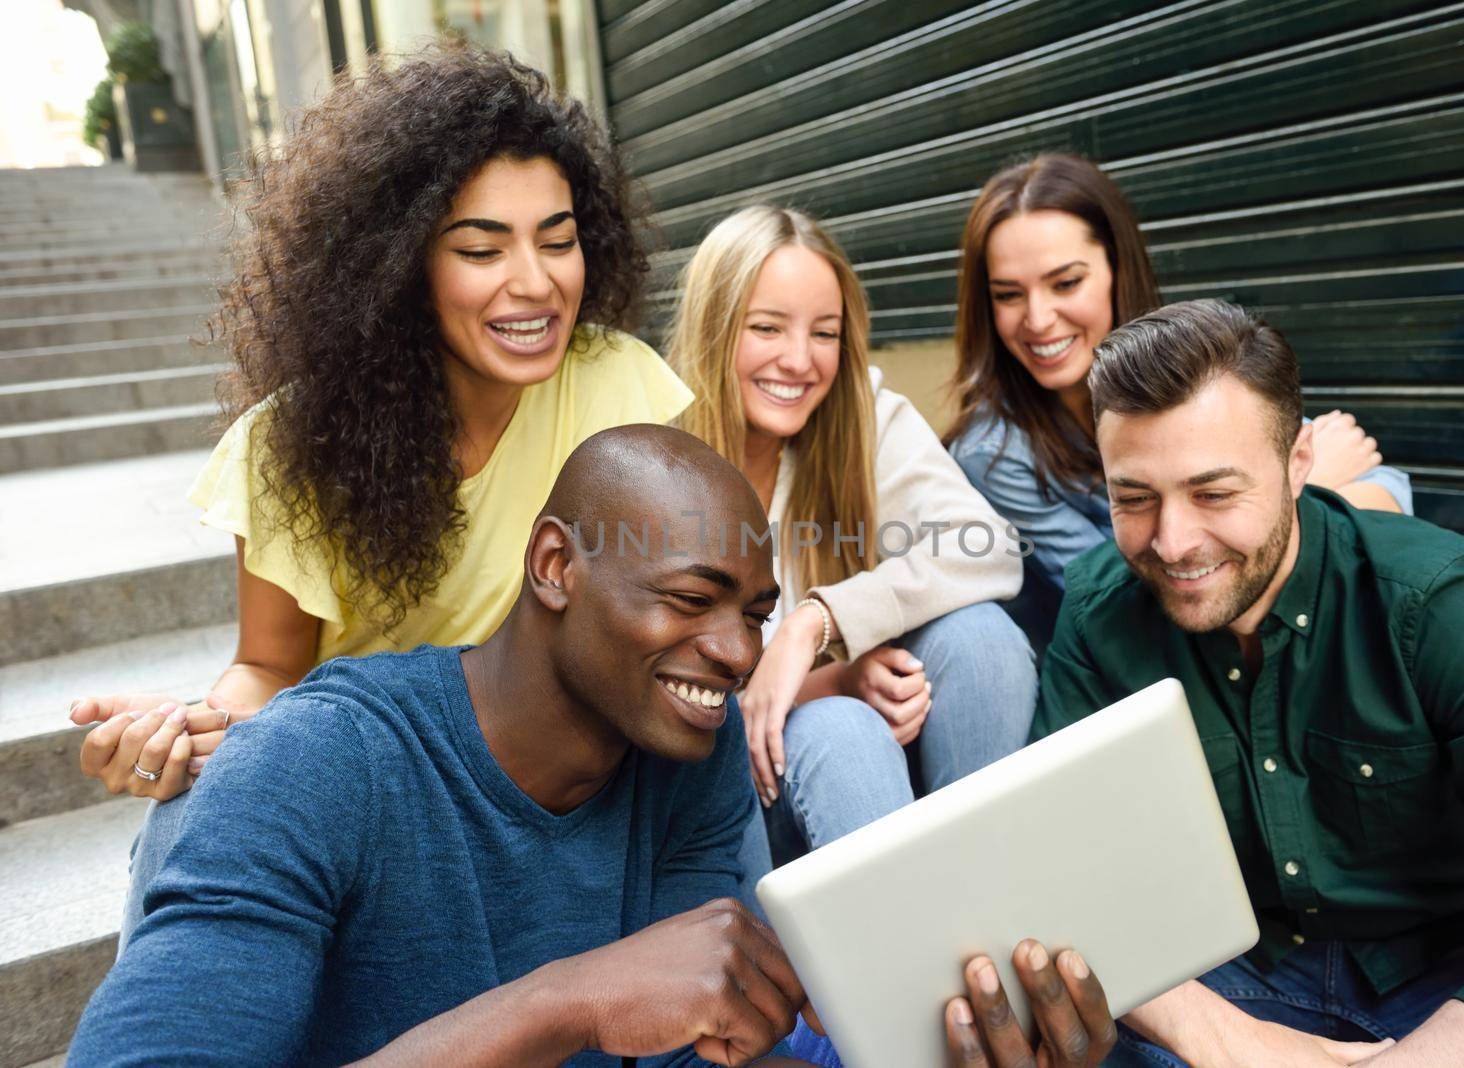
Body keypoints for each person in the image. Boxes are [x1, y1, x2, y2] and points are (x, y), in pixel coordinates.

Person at [69, 426, 1119, 1068]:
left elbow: (689, 1062)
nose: (737, 651)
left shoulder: (685, 758)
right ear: (555, 567)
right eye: (689, 599)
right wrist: (566, 1001)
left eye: (756, 611)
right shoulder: (315, 765)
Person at [61, 47, 691, 940]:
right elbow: (271, 668)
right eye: (481, 247)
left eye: (558, 239)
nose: (536, 281)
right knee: (189, 823)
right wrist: (195, 730)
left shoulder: (625, 390)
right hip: (375, 786)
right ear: (396, 266)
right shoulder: (292, 446)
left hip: (569, 787)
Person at [1037, 299, 1464, 1068]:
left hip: (1456, 984)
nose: (1172, 542)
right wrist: (1234, 1044)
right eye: (1133, 498)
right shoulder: (1099, 613)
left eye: (1213, 493)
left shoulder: (1444, 604)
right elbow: (1058, 878)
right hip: (1227, 983)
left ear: (1299, 461)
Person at [667, 205, 1035, 869]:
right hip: (727, 794)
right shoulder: (657, 457)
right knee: (844, 730)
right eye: (767, 327)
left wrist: (821, 621)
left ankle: (981, 902)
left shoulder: (861, 418)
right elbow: (661, 703)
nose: (799, 360)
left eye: (824, 332)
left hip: (867, 794)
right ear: (715, 328)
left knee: (982, 641)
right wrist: (832, 682)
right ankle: (915, 960)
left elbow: (989, 547)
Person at [943, 154, 1413, 652]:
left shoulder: (1187, 362)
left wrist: (1289, 504)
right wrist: (1303, 490)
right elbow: (1134, 596)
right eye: (1009, 295)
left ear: (1117, 269)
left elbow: (1387, 487)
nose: (1038, 319)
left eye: (1066, 283)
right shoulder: (993, 452)